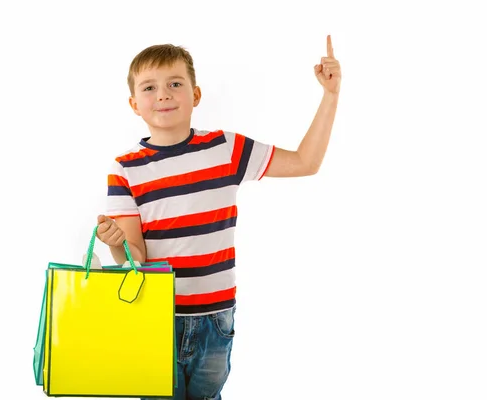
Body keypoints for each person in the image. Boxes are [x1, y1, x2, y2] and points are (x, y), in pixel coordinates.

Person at [96, 35, 341, 400]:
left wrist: (330, 96)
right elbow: (137, 256)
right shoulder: (125, 169)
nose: (163, 94)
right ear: (135, 104)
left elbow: (306, 162)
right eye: (150, 87)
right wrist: (118, 244)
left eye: (175, 84)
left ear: (195, 95)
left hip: (216, 315)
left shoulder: (226, 149)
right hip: (154, 317)